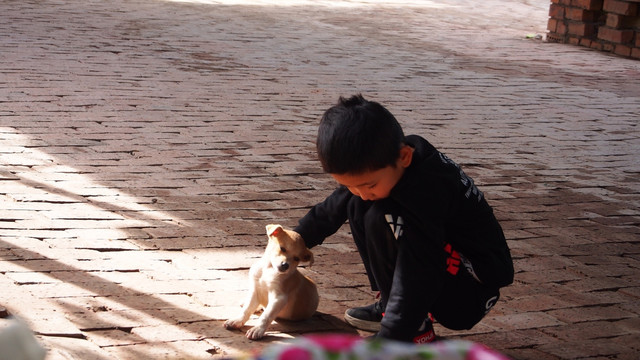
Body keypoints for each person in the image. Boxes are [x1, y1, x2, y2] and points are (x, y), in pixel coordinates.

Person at [293, 94, 514, 343]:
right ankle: (391, 308)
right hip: (442, 266)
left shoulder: (426, 190)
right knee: (358, 204)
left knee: (381, 215)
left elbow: (418, 266)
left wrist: (393, 334)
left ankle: (415, 329)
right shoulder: (388, 161)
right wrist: (296, 240)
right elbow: (337, 203)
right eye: (352, 185)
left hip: (470, 291)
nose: (363, 193)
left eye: (369, 185)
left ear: (405, 157)